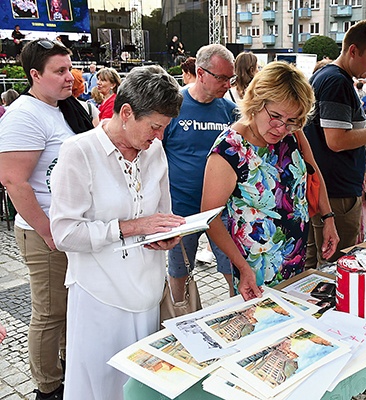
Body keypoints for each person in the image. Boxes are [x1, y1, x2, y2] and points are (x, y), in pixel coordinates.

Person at [49, 65, 185, 400]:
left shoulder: (154, 152)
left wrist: (164, 235)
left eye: (164, 128)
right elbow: (64, 233)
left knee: (139, 386)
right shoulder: (79, 151)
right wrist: (129, 228)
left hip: (147, 293)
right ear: (126, 113)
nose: (159, 137)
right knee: (102, 385)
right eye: (155, 127)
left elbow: (160, 214)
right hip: (100, 296)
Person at [201, 61, 339, 300]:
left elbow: (312, 171)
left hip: (296, 257)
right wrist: (242, 268)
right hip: (256, 269)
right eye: (275, 116)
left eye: (292, 120)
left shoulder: (292, 133)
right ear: (256, 101)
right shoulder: (230, 149)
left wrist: (328, 218)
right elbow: (210, 219)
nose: (280, 128)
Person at [0, 38, 76, 400]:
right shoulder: (25, 115)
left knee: (66, 310)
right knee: (49, 313)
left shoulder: (62, 108)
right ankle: (48, 388)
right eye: (59, 71)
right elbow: (13, 180)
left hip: (66, 229)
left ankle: (68, 370)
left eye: (69, 67)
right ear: (35, 75)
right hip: (43, 232)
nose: (69, 76)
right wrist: (48, 232)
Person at [304, 20, 366, 267]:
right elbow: (336, 140)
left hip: (328, 187)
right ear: (352, 51)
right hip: (337, 192)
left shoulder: (327, 75)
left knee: (316, 261)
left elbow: (338, 130)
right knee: (337, 264)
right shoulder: (337, 81)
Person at [163, 44, 237, 300]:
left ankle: (237, 312)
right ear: (201, 72)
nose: (227, 85)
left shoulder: (229, 110)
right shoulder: (173, 107)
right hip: (181, 210)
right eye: (222, 78)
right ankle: (178, 314)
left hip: (221, 209)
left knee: (232, 268)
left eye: (231, 78)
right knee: (179, 270)